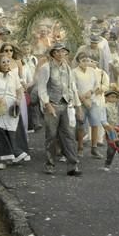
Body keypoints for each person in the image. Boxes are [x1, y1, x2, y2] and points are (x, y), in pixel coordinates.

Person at [37, 43, 83, 176]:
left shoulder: (68, 67)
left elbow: (72, 87)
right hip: (53, 104)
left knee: (69, 135)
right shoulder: (46, 68)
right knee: (51, 136)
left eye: (63, 51)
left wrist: (78, 105)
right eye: (57, 52)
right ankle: (49, 164)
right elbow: (42, 88)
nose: (60, 54)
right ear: (53, 54)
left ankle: (72, 166)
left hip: (67, 104)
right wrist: (47, 104)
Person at [0, 55, 30, 170]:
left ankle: (15, 154)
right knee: (1, 132)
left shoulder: (13, 75)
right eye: (3, 62)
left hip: (12, 106)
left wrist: (19, 100)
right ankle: (5, 159)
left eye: (7, 62)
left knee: (13, 130)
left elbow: (19, 90)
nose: (6, 64)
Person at [73, 52, 104, 159]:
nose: (86, 62)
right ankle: (80, 148)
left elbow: (97, 85)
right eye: (83, 60)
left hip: (92, 100)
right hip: (80, 102)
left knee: (95, 124)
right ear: (78, 61)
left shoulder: (92, 71)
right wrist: (83, 99)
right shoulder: (74, 72)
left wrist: (91, 92)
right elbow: (74, 88)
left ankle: (94, 148)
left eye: (87, 60)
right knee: (81, 124)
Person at [101, 88, 119, 175]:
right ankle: (107, 164)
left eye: (115, 97)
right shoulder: (104, 107)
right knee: (111, 150)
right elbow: (103, 120)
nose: (114, 99)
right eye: (111, 97)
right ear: (106, 98)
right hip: (111, 131)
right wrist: (109, 128)